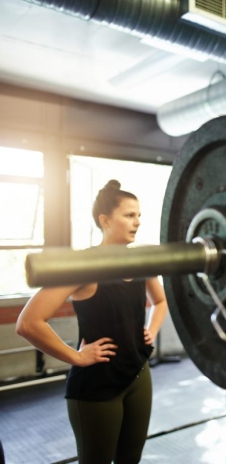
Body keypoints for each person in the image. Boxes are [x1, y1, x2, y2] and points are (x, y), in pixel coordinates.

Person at [16, 180, 168, 463]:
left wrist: (151, 329)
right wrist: (76, 356)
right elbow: (28, 322)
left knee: (130, 459)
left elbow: (160, 301)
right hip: (97, 383)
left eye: (138, 216)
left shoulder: (141, 261)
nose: (137, 222)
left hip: (138, 372)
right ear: (105, 220)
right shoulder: (83, 266)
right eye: (129, 215)